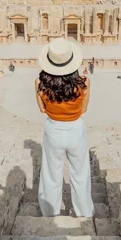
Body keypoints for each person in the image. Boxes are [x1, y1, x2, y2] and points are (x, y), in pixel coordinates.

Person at [35, 38, 94, 217]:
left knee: (51, 173)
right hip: (76, 130)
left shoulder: (40, 84)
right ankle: (84, 213)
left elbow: (42, 109)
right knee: (80, 173)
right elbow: (84, 109)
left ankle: (50, 213)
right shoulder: (84, 83)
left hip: (53, 130)